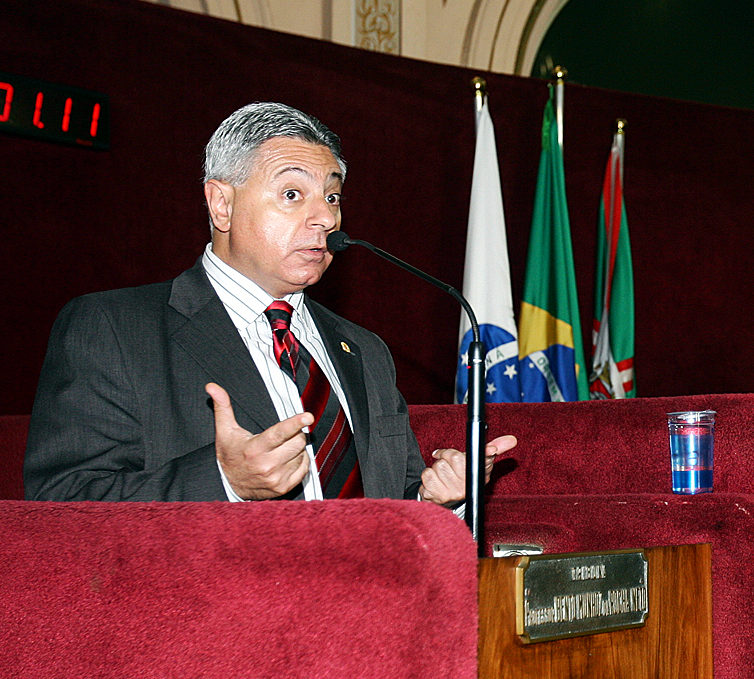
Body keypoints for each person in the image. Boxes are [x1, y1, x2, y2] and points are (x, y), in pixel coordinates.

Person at [25, 101, 516, 503]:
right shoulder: (112, 328)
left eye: (332, 197)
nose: (324, 218)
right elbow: (64, 501)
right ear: (222, 204)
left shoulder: (364, 350)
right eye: (291, 193)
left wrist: (439, 499)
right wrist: (224, 482)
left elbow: (385, 500)